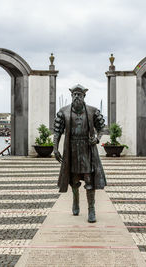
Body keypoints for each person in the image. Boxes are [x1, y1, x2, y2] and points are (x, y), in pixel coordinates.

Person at [53, 84, 106, 223]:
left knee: (89, 179)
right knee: (74, 179)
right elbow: (57, 131)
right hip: (71, 148)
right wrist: (55, 148)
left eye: (79, 94)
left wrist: (97, 138)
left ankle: (91, 209)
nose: (77, 97)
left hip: (87, 149)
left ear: (84, 96)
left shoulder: (92, 111)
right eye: (74, 94)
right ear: (71, 96)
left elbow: (101, 128)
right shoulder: (63, 112)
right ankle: (75, 201)